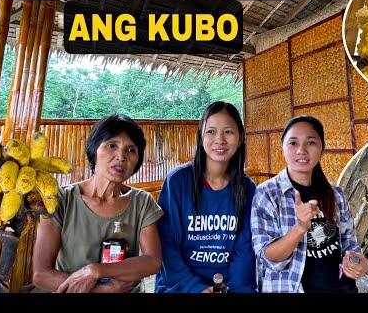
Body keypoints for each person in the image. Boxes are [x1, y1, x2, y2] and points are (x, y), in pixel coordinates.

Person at [32, 114, 163, 293]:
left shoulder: (142, 202)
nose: (121, 156)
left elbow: (152, 261)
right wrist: (103, 290)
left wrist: (95, 271)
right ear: (94, 149)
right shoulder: (61, 199)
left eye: (131, 150)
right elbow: (41, 275)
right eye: (112, 145)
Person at [251, 115, 368, 293]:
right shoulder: (266, 194)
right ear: (282, 147)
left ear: (322, 148)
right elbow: (268, 259)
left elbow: (349, 244)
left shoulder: (335, 194)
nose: (301, 150)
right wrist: (299, 228)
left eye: (311, 143)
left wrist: (360, 263)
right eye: (293, 143)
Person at [155, 102, 256, 293]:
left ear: (241, 137)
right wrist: (196, 288)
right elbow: (166, 245)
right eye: (211, 132)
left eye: (228, 132)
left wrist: (235, 288)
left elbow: (245, 252)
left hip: (229, 287)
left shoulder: (248, 189)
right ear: (201, 136)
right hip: (181, 286)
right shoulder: (178, 182)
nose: (219, 140)